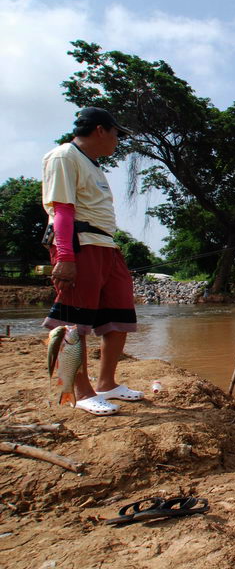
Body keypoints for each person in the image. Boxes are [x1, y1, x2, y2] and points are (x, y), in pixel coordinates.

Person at [41, 107, 144, 416]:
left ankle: (108, 383)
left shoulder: (93, 165)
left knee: (120, 313)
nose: (117, 142)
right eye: (115, 135)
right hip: (79, 244)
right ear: (100, 130)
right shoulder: (63, 157)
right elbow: (62, 210)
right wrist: (67, 258)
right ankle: (81, 390)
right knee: (74, 323)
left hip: (107, 247)